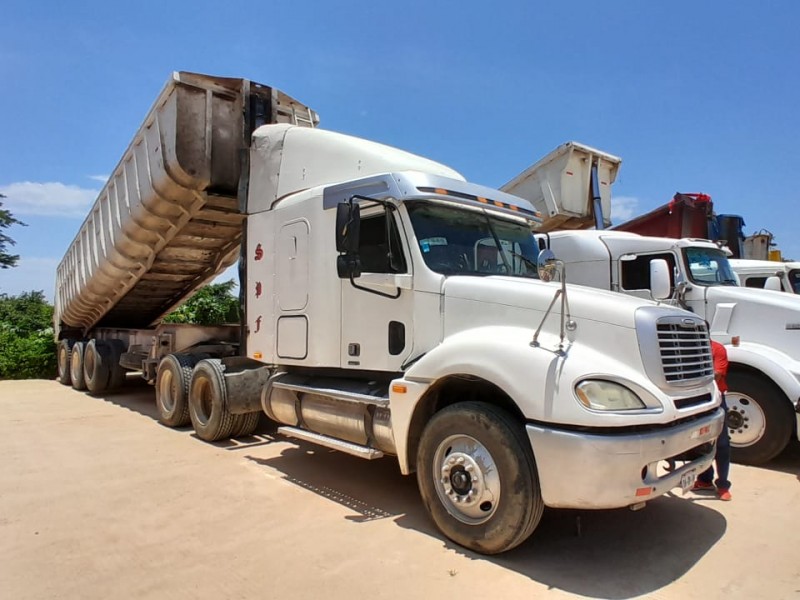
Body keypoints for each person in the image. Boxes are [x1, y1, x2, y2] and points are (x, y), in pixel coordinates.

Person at [692, 338, 732, 500]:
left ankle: (723, 484)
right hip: (694, 400)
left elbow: (718, 374)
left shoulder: (717, 349)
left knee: (722, 443)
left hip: (715, 399)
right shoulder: (688, 349)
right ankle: (705, 479)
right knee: (698, 441)